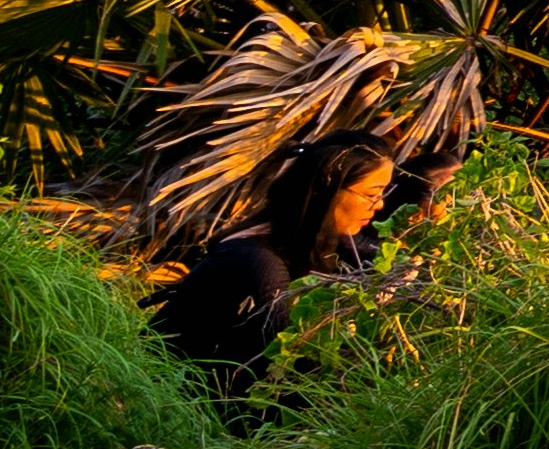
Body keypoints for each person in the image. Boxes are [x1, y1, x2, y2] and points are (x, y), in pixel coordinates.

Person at [149, 138, 404, 386]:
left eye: (384, 192)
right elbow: (292, 356)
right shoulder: (256, 259)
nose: (380, 205)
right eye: (372, 194)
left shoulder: (316, 235)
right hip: (180, 399)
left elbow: (381, 257)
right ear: (328, 190)